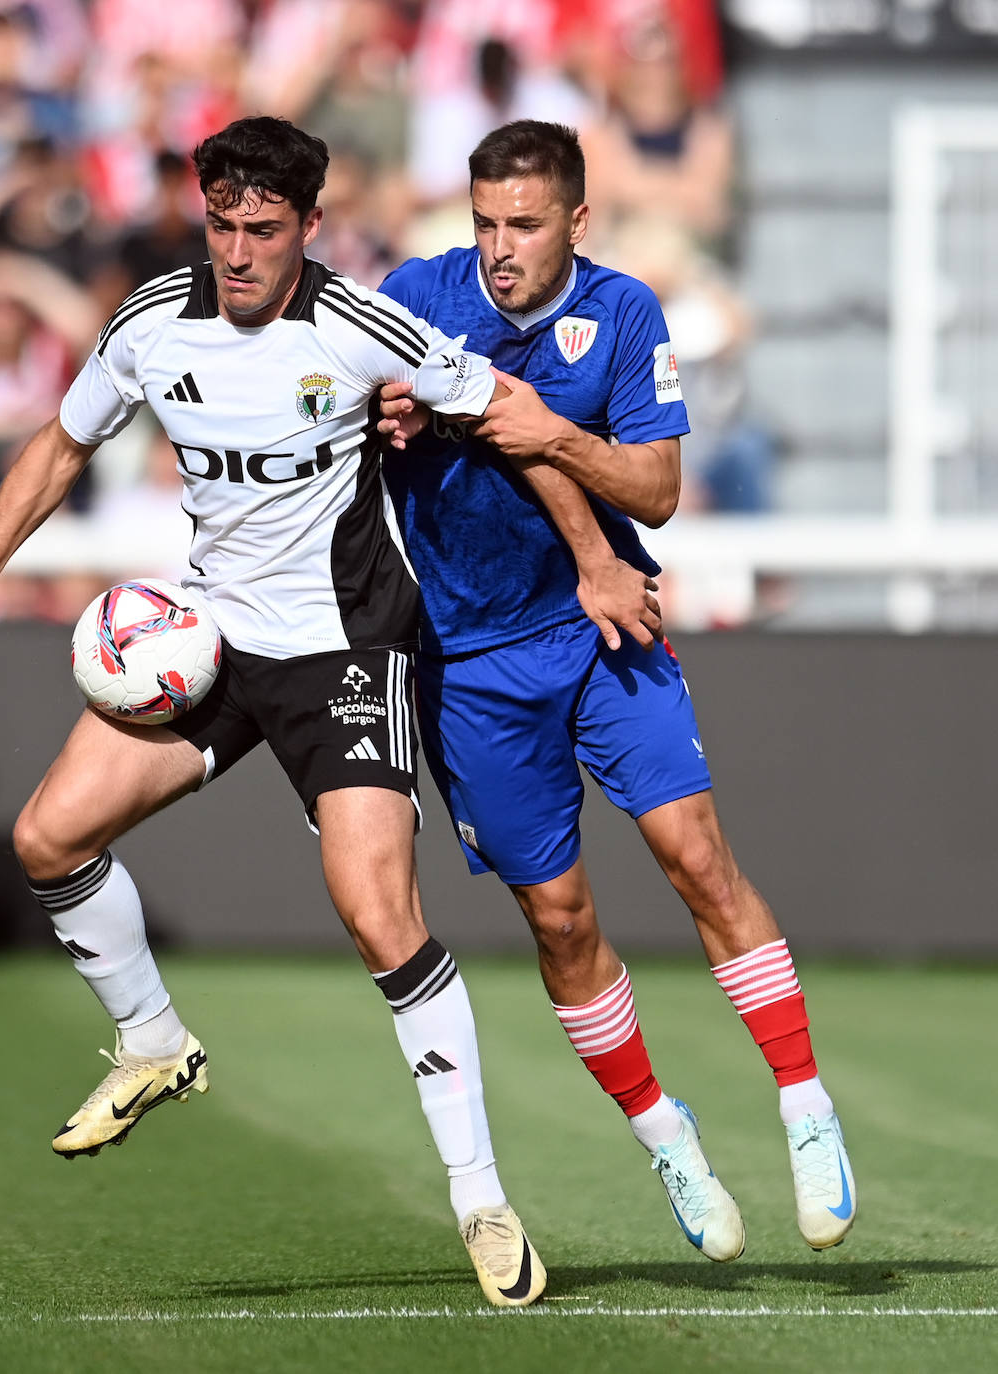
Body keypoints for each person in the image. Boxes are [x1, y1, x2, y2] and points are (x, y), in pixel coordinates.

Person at [0, 115, 607, 1308]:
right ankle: (153, 1044)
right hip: (212, 641)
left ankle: (482, 1198)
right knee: (47, 839)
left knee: (378, 917)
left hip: (346, 647)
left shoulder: (361, 327)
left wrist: (593, 555)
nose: (238, 253)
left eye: (263, 231)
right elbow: (59, 444)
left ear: (308, 229)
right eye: (222, 227)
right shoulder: (149, 323)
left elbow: (509, 416)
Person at [377, 119, 856, 1257]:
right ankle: (666, 1136)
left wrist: (558, 436)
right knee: (560, 915)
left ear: (576, 223)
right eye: (486, 222)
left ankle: (803, 1103)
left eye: (526, 225)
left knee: (697, 856)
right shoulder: (414, 294)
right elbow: (350, 402)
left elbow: (658, 488)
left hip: (605, 629)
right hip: (470, 666)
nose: (500, 248)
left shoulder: (626, 312)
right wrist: (378, 410)